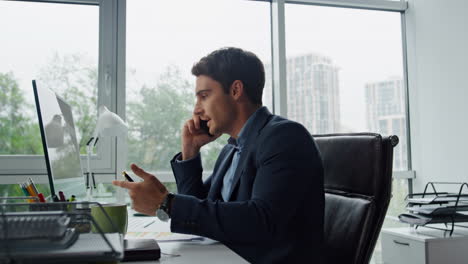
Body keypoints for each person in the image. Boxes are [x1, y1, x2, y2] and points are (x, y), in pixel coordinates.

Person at [113, 47, 324, 263]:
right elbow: (202, 213)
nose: (196, 110)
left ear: (235, 90)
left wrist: (168, 204)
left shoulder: (284, 136)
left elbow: (261, 221)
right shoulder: (231, 149)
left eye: (204, 96)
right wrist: (190, 152)